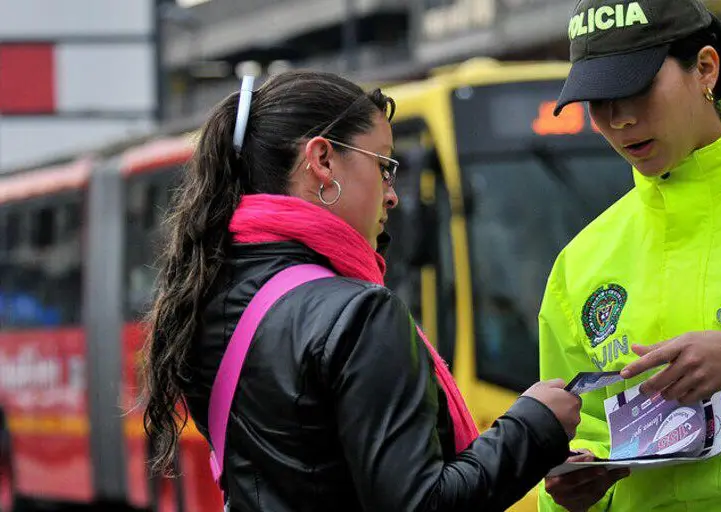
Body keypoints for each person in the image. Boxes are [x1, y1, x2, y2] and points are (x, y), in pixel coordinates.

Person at [140, 69, 582, 511]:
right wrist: (534, 425)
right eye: (384, 165)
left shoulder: (208, 299)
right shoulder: (359, 314)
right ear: (323, 161)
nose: (392, 195)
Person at [537, 0, 721, 510]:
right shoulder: (580, 263)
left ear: (706, 69)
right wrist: (569, 491)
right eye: (598, 101)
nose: (620, 120)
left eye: (637, 88)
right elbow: (576, 437)